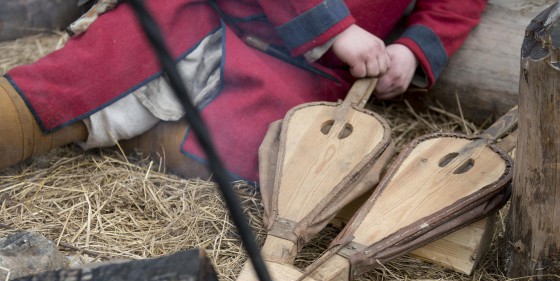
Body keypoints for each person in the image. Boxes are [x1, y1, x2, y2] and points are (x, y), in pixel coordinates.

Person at [0, 0, 487, 183]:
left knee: (265, 154)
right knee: (88, 77)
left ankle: (154, 142)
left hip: (298, 70)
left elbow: (456, 3)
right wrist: (335, 28)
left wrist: (410, 51)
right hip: (209, 13)